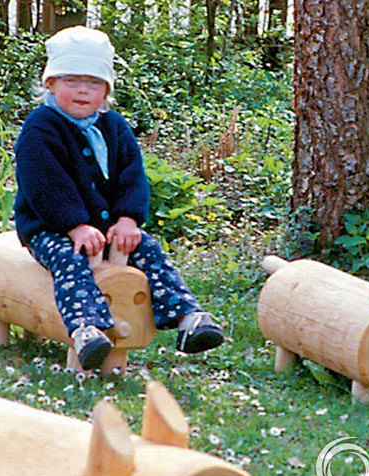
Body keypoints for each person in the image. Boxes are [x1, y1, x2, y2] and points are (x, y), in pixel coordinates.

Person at [13, 26, 223, 370]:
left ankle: (188, 317)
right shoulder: (41, 128)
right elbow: (45, 186)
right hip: (51, 228)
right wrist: (75, 226)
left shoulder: (115, 127)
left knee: (150, 250)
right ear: (51, 83)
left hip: (109, 227)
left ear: (106, 89)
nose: (83, 90)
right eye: (72, 81)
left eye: (94, 83)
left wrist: (128, 218)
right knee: (69, 261)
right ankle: (86, 328)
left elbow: (132, 177)